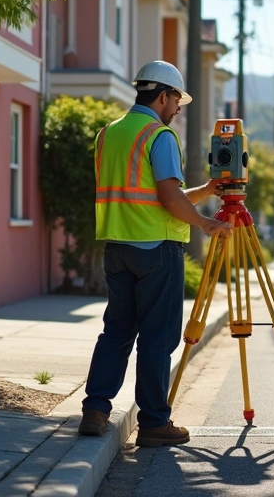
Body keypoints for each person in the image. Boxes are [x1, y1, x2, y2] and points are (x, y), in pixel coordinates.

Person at [79, 60, 232, 447]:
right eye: (177, 100)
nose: (178, 109)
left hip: (117, 248)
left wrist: (203, 191)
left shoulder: (108, 133)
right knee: (156, 339)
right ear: (163, 96)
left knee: (116, 331)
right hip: (156, 251)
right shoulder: (159, 135)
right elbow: (167, 198)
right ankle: (153, 423)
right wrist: (207, 224)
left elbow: (155, 195)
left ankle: (95, 410)